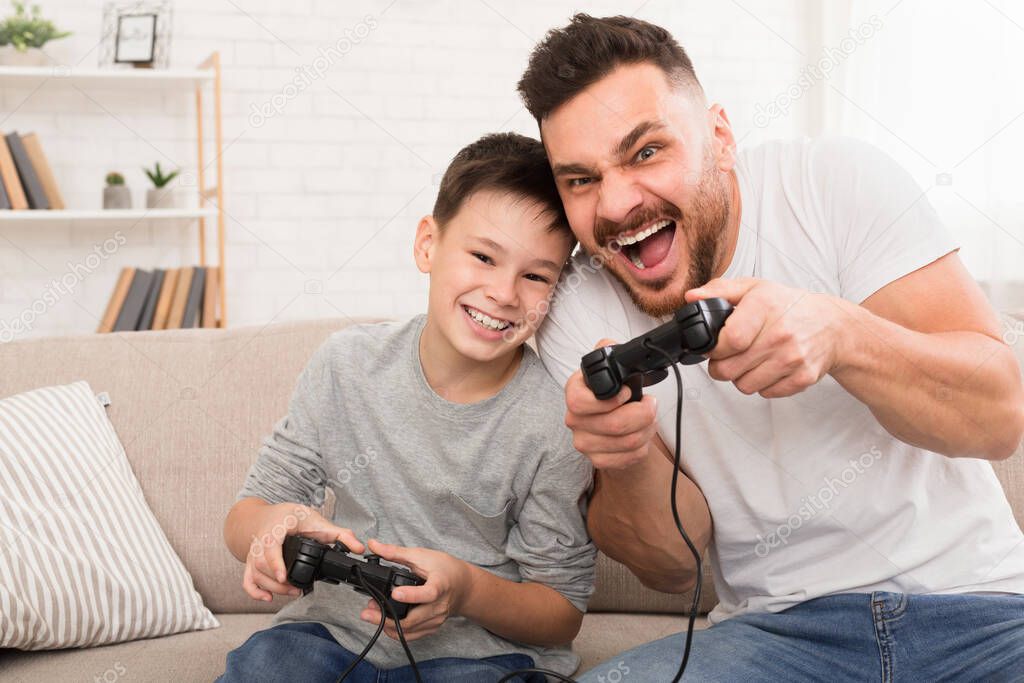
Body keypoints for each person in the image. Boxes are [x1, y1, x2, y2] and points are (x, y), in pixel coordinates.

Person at [518, 14, 1024, 681]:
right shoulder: (576, 310)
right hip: (777, 633)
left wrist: (842, 334)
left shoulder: (834, 182)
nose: (616, 204)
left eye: (645, 152)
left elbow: (1000, 415)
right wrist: (628, 454)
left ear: (720, 137)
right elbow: (671, 565)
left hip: (982, 607)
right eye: (581, 179)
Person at [217, 132, 596, 683]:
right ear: (428, 244)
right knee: (265, 668)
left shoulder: (555, 417)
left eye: (536, 276)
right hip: (332, 636)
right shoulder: (345, 365)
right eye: (483, 256)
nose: (504, 292)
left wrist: (464, 589)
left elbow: (560, 613)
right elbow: (244, 517)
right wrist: (278, 526)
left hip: (480, 657)